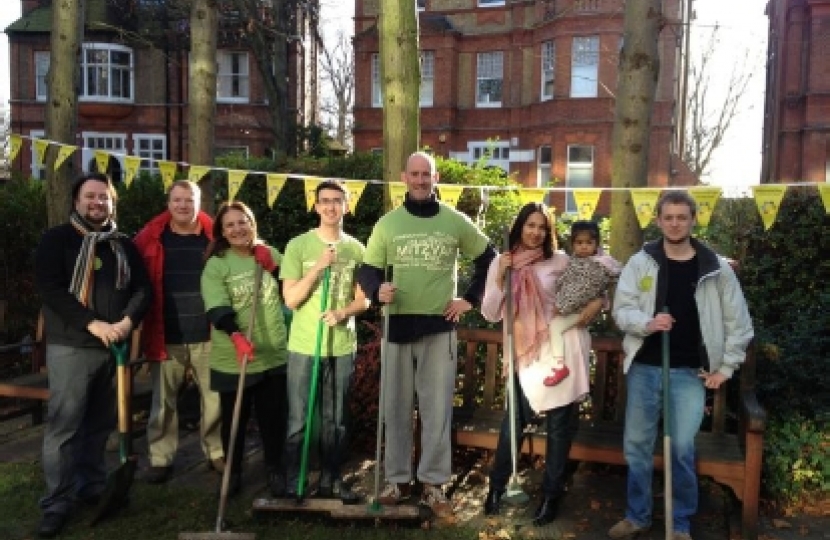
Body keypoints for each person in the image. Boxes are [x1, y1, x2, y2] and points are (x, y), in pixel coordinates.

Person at [357, 151, 497, 518]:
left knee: (436, 410)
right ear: (404, 177)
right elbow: (367, 269)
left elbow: (490, 259)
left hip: (439, 328)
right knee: (397, 407)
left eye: (427, 175)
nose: (420, 180)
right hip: (398, 325)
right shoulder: (387, 224)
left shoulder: (455, 221)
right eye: (415, 174)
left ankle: (434, 485)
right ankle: (398, 480)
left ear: (436, 179)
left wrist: (470, 299)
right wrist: (376, 291)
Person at [609, 190, 753, 540]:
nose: (675, 223)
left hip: (689, 373)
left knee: (682, 450)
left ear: (692, 220)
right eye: (668, 217)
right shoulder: (641, 261)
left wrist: (726, 368)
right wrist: (647, 322)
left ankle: (680, 523)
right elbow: (621, 309)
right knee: (637, 447)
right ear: (658, 220)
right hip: (645, 368)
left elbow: (740, 323)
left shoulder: (715, 269)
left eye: (681, 217)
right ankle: (637, 515)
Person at [33, 173, 152, 538]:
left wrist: (128, 321)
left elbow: (143, 288)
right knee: (65, 427)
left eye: (104, 198)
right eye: (90, 197)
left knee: (99, 425)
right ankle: (56, 503)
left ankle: (91, 487)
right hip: (72, 346)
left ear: (113, 203)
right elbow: (51, 290)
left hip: (112, 348)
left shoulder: (122, 244)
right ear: (76, 201)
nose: (97, 203)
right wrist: (93, 324)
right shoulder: (57, 240)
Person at [480, 202, 602, 527]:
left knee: (559, 428)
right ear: (520, 226)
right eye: (530, 225)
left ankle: (551, 494)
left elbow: (596, 276)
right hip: (526, 354)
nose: (535, 232)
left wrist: (599, 301)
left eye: (542, 227)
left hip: (561, 351)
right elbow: (490, 313)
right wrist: (501, 276)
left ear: (549, 232)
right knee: (514, 420)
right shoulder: (501, 262)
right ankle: (498, 485)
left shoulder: (560, 261)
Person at [281, 181, 369, 502]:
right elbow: (290, 299)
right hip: (304, 346)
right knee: (298, 419)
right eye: (325, 201)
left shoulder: (358, 249)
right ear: (316, 207)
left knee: (338, 422)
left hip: (342, 346)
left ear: (347, 206)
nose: (331, 207)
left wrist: (343, 311)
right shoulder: (298, 246)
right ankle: (295, 480)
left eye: (337, 201)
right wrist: (317, 268)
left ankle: (332, 480)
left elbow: (365, 301)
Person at [134, 180, 224, 484]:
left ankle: (216, 452)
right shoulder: (150, 238)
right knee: (163, 402)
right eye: (177, 200)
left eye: (189, 200)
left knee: (214, 399)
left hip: (208, 333)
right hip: (166, 333)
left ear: (199, 203)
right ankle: (161, 458)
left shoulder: (216, 236)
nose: (183, 205)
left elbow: (246, 247)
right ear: (168, 203)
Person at [200, 201, 289, 497]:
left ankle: (275, 469)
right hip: (234, 357)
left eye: (243, 222)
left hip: (272, 352)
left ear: (252, 224)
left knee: (272, 419)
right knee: (234, 420)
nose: (238, 229)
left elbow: (292, 289)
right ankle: (234, 471)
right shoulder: (217, 264)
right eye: (230, 225)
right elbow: (216, 305)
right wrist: (236, 336)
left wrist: (274, 266)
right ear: (222, 232)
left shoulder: (268, 252)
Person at [543, 220, 620, 387]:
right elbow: (568, 281)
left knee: (555, 327)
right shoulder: (576, 261)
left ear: (596, 244)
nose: (584, 247)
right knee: (554, 327)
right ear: (573, 244)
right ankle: (557, 364)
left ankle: (559, 365)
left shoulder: (595, 266)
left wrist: (561, 306)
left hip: (578, 310)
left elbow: (583, 291)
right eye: (579, 243)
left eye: (589, 243)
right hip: (571, 306)